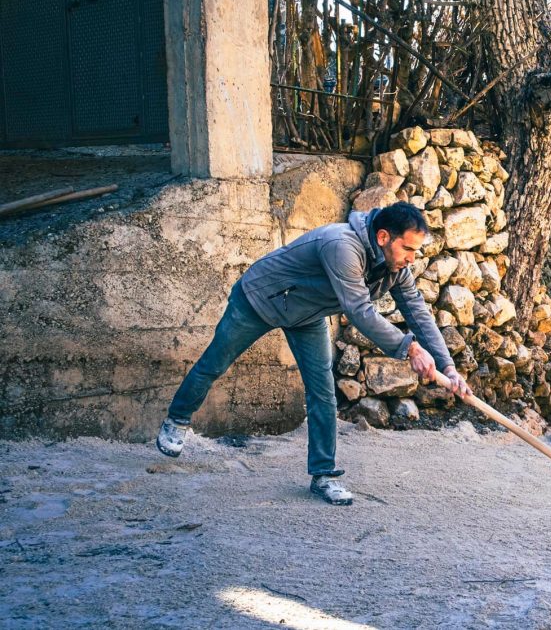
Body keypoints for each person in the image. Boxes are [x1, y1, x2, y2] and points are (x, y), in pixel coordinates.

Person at [156, 203, 471, 505]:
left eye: (416, 250)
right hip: (259, 299)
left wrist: (447, 366)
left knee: (323, 393)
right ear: (383, 237)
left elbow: (418, 312)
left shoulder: (395, 268)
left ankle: (323, 475)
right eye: (408, 249)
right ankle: (177, 419)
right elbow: (359, 310)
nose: (412, 258)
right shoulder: (342, 245)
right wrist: (411, 349)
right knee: (214, 364)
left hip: (307, 315)